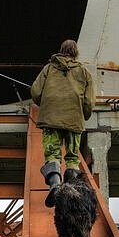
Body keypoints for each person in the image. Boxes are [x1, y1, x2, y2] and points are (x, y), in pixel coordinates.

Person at [30, 39, 95, 207]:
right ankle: (72, 188)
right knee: (72, 156)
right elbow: (89, 101)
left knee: (52, 153)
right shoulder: (84, 72)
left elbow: (35, 91)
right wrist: (84, 114)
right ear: (75, 53)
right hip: (74, 120)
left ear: (61, 50)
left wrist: (45, 103)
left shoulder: (49, 68)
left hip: (50, 119)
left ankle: (55, 185)